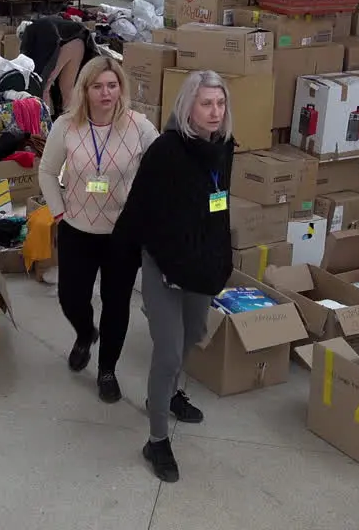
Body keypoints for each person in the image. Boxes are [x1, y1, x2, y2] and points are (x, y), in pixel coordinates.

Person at [114, 70, 234, 483]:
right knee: (167, 350)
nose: (215, 112)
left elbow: (221, 208)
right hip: (164, 262)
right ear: (188, 106)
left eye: (219, 104)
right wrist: (129, 262)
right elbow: (138, 211)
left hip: (201, 262)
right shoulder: (166, 150)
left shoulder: (224, 148)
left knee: (195, 332)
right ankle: (157, 438)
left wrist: (222, 258)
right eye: (206, 103)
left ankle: (166, 394)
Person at [38, 57, 158, 403]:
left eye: (112, 85)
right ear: (85, 90)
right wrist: (59, 212)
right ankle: (84, 331)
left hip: (122, 234)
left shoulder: (140, 127)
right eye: (97, 86)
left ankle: (107, 370)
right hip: (76, 227)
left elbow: (163, 167)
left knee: (116, 303)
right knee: (71, 297)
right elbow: (47, 172)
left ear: (121, 88)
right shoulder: (66, 126)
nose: (106, 93)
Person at [19, 16, 98, 116]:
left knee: (44, 86)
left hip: (67, 45)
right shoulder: (46, 23)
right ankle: (69, 122)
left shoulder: (32, 32)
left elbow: (36, 63)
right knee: (67, 89)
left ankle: (46, 125)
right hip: (80, 42)